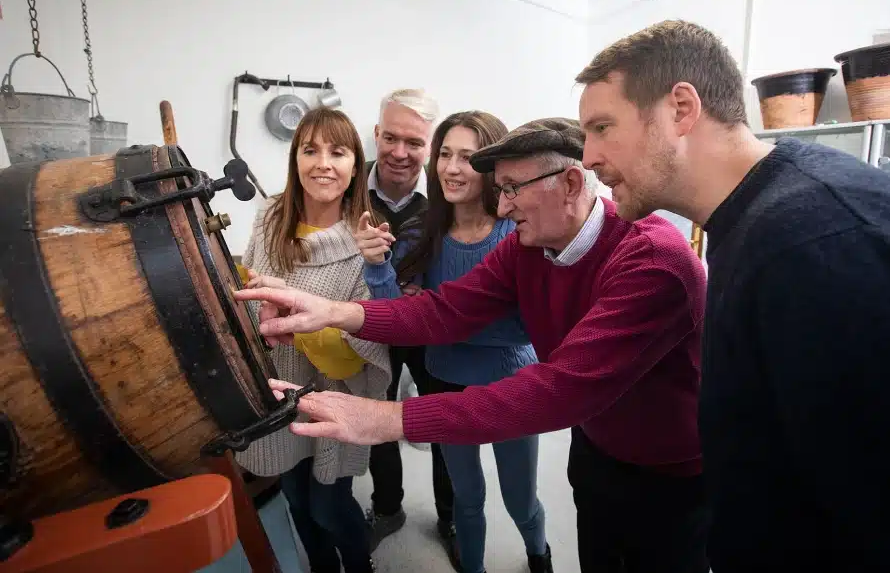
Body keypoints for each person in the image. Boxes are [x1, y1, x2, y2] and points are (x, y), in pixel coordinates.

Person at [236, 117, 710, 573]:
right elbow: (444, 310)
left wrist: (388, 419)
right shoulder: (527, 247)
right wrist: (331, 310)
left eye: (511, 189)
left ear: (569, 184)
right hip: (596, 447)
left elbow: (561, 390)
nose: (502, 207)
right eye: (500, 190)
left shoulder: (653, 261)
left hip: (667, 472)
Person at [572, 20, 890, 572]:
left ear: (681, 108)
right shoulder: (752, 220)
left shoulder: (812, 241)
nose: (588, 156)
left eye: (602, 127)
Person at [356, 110, 550, 573]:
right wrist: (378, 266)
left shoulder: (518, 233)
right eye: (444, 154)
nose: (451, 168)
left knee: (520, 498)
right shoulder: (423, 234)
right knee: (466, 499)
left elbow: (531, 327)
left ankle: (539, 555)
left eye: (467, 157)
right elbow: (397, 319)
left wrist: (441, 316)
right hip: (444, 382)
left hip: (512, 386)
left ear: (491, 167)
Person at [234, 107, 390, 573]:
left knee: (327, 504)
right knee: (296, 500)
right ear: (295, 159)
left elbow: (356, 354)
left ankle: (360, 566)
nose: (323, 163)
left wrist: (293, 318)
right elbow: (248, 296)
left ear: (355, 164)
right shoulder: (270, 218)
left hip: (333, 397)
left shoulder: (367, 240)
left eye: (337, 152)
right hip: (278, 390)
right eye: (310, 150)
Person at [362, 88, 460, 558]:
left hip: (429, 334)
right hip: (368, 330)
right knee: (378, 420)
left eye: (415, 143)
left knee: (442, 423)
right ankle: (387, 508)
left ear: (431, 146)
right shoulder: (346, 189)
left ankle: (452, 517)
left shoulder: (448, 196)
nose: (401, 153)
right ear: (376, 134)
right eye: (392, 138)